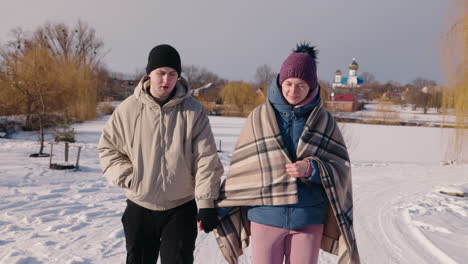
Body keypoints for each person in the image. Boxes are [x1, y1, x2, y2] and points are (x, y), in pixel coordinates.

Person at [214, 43, 360, 264]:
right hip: (265, 216)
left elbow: (341, 170)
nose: (293, 91)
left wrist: (312, 169)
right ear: (280, 82)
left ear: (311, 87)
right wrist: (220, 209)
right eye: (289, 83)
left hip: (308, 218)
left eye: (301, 85)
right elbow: (243, 170)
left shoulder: (324, 120)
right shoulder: (259, 117)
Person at [97, 44, 223, 264]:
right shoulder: (128, 110)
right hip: (140, 207)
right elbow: (108, 150)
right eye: (161, 73)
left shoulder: (193, 111)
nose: (166, 79)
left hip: (181, 208)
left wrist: (205, 203)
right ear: (149, 75)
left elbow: (206, 159)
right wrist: (129, 177)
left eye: (172, 74)